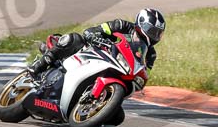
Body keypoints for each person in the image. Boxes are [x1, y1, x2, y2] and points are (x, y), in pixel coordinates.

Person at [28, 8, 166, 79]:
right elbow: (91, 31)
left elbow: (142, 73)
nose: (154, 36)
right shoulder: (121, 25)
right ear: (141, 23)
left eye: (158, 33)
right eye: (152, 31)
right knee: (73, 39)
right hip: (93, 53)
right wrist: (99, 39)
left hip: (114, 71)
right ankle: (39, 65)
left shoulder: (151, 54)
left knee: (117, 117)